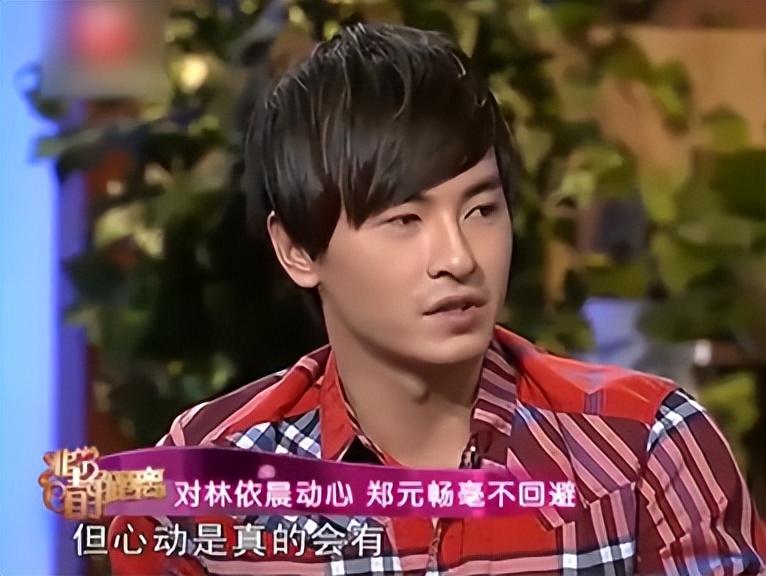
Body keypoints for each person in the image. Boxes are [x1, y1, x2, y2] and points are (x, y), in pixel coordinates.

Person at [109, 22, 766, 575]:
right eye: (405, 220)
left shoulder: (646, 448)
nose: (458, 257)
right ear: (299, 250)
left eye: (481, 209)